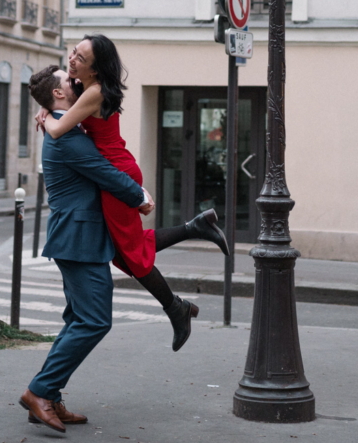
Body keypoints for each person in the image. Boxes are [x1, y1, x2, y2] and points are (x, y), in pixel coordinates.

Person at [37, 35, 229, 351]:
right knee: (125, 249)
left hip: (115, 174)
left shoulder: (93, 92)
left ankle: (176, 307)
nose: (72, 59)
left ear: (95, 70)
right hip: (117, 168)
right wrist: (48, 108)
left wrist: (46, 113)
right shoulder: (87, 87)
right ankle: (194, 232)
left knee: (128, 254)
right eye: (74, 52)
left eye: (80, 58)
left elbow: (58, 130)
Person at [19, 65, 155, 435]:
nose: (76, 82)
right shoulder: (68, 137)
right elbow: (101, 170)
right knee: (94, 320)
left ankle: (48, 395)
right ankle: (39, 392)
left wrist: (46, 114)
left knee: (77, 319)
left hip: (80, 237)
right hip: (79, 239)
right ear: (60, 94)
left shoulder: (67, 125)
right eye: (69, 80)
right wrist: (138, 196)